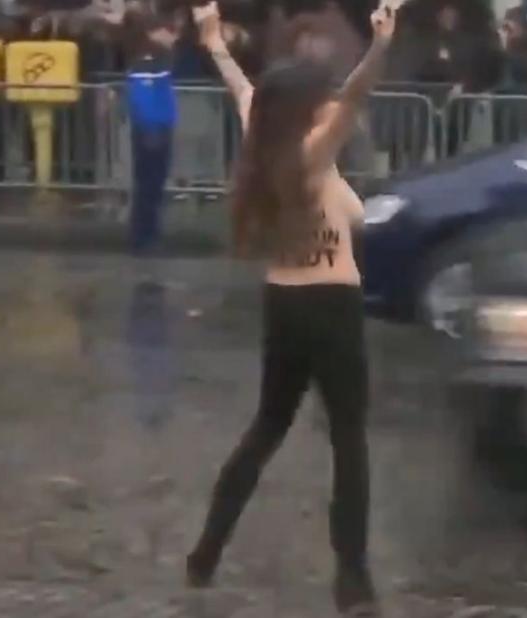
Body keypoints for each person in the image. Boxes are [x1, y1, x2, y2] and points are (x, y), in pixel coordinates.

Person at [185, 2, 396, 614]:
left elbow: (242, 89)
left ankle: (206, 552)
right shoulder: (309, 156)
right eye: (320, 100)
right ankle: (352, 578)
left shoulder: (265, 143)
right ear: (305, 109)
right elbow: (355, 96)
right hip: (332, 305)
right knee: (348, 439)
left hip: (283, 303)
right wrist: (380, 45)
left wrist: (214, 42)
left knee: (267, 427)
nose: (330, 107)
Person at [122, 7, 179, 255]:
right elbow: (143, 96)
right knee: (148, 186)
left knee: (152, 186)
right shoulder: (148, 61)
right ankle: (143, 238)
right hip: (151, 131)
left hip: (158, 127)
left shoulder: (159, 59)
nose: (171, 36)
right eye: (165, 31)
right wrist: (151, 128)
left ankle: (148, 234)